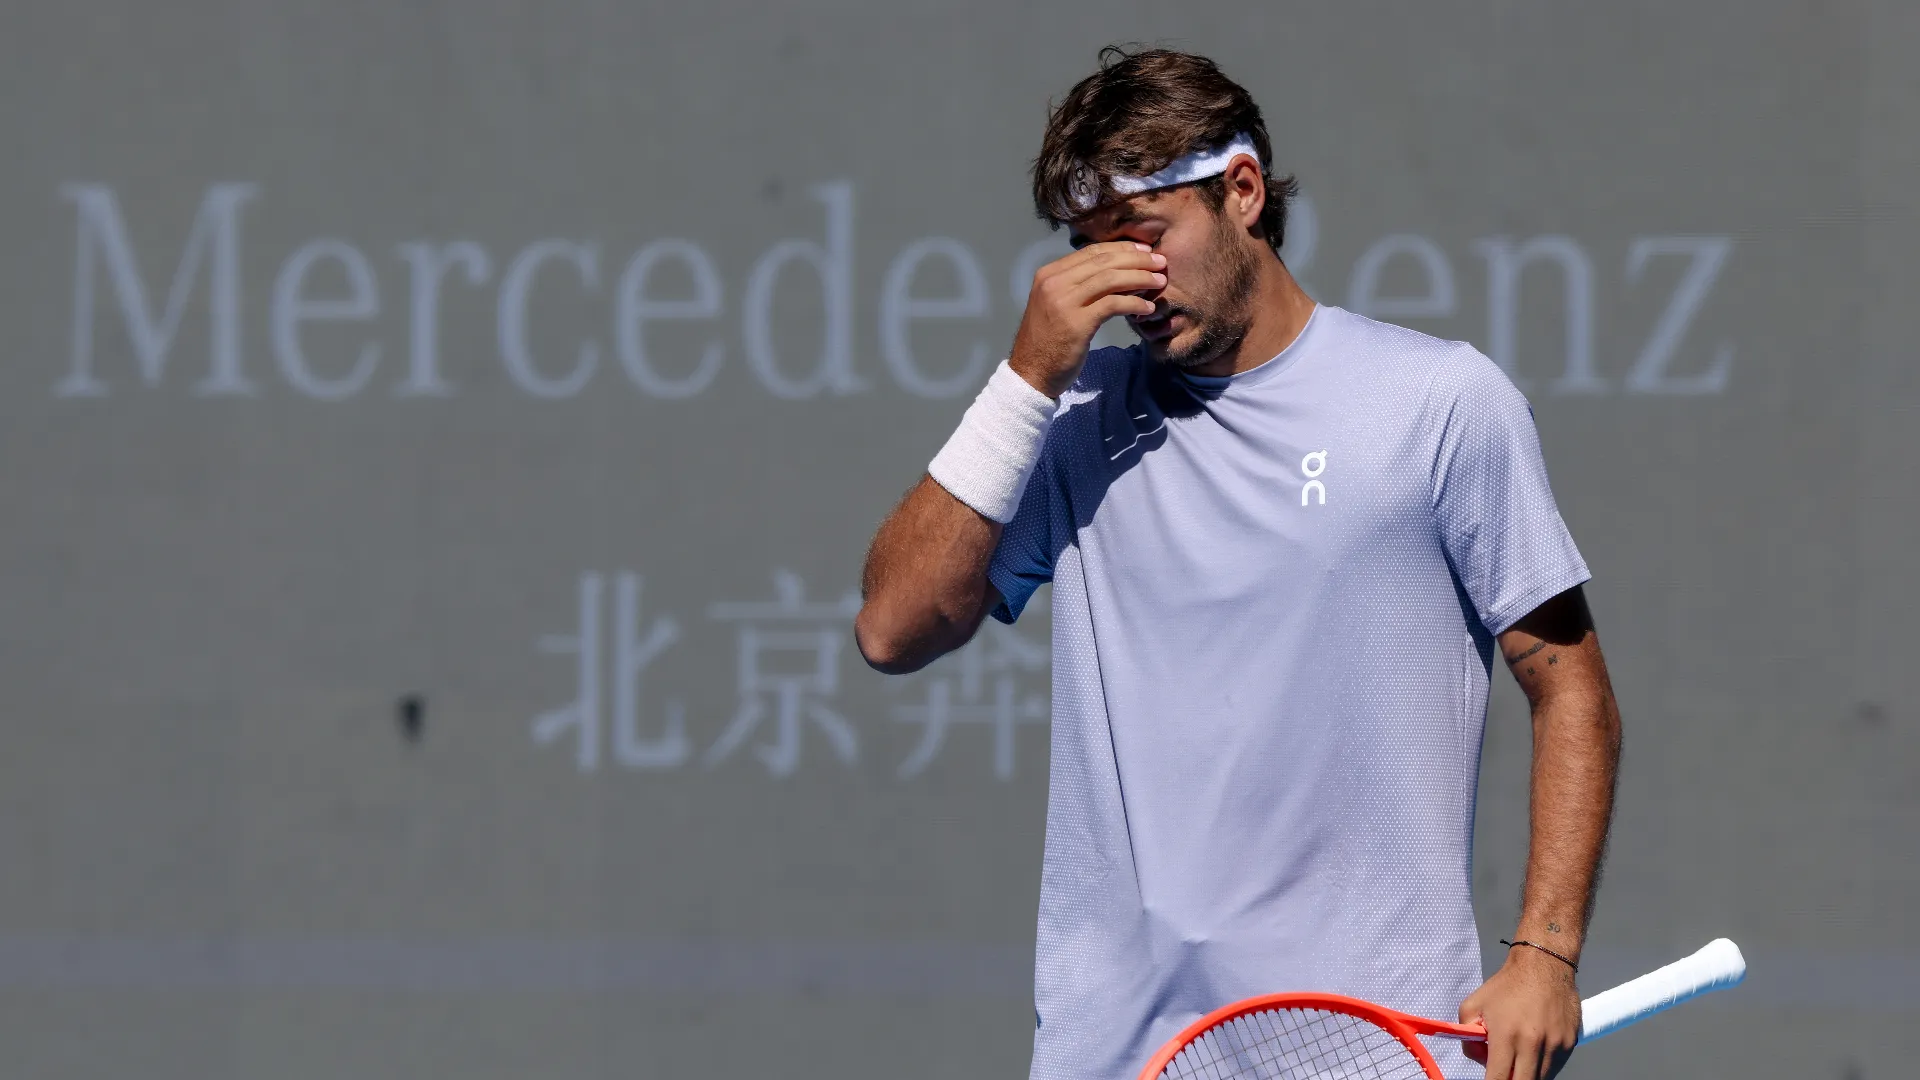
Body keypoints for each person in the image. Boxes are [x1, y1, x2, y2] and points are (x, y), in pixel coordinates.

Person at [854, 46, 1621, 1080]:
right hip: (1116, 1056)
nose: (1125, 285)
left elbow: (1570, 687)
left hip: (1372, 1049)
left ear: (1243, 192)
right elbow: (893, 629)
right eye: (1089, 253)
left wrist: (1544, 956)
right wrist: (1029, 372)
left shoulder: (1440, 403)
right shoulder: (1070, 421)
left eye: (1143, 237)